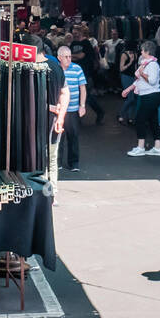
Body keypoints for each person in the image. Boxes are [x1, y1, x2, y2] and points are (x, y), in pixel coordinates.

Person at [121, 40, 160, 156]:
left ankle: (141, 147)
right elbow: (138, 81)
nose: (141, 52)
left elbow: (152, 81)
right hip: (148, 96)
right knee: (153, 121)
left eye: (142, 50)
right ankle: (157, 147)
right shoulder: (146, 63)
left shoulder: (153, 65)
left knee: (140, 120)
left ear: (147, 51)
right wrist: (128, 89)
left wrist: (142, 73)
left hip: (151, 96)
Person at [42, 45, 69, 201]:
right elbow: (65, 93)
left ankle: (45, 193)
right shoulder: (57, 69)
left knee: (44, 157)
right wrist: (60, 117)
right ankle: (52, 193)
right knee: (51, 157)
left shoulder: (36, 68)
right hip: (54, 119)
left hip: (46, 121)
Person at [57, 46, 87, 172]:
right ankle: (57, 163)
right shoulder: (56, 70)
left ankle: (74, 163)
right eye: (66, 57)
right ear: (59, 58)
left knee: (73, 137)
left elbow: (82, 88)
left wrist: (82, 106)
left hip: (73, 109)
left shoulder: (77, 69)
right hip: (59, 110)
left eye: (70, 56)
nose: (69, 59)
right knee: (59, 138)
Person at [71, 28, 105, 124]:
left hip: (85, 73)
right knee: (82, 95)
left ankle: (99, 112)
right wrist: (74, 56)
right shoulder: (73, 43)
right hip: (76, 73)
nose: (75, 35)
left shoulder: (86, 43)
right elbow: (71, 56)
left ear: (81, 32)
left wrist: (73, 56)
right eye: (73, 33)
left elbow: (81, 56)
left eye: (76, 33)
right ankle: (80, 117)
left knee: (86, 96)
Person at [116, 40, 139, 125]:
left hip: (133, 77)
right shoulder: (124, 55)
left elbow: (136, 66)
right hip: (126, 77)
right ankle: (120, 114)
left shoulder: (135, 54)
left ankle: (130, 118)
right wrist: (130, 62)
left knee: (133, 98)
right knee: (130, 98)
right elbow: (121, 69)